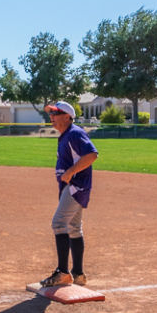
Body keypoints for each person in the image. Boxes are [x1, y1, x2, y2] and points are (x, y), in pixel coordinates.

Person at [39, 101, 99, 287]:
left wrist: (71, 172)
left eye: (56, 114)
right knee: (74, 227)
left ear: (67, 117)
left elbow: (92, 154)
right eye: (51, 114)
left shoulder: (74, 133)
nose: (52, 118)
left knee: (59, 223)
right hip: (72, 186)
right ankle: (78, 274)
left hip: (75, 186)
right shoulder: (66, 135)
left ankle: (63, 272)